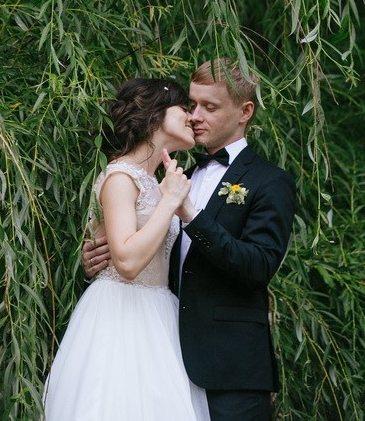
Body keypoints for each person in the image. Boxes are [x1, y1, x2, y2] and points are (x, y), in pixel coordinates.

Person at [83, 58, 296, 421]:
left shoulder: (269, 181)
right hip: (161, 354)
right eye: (192, 104)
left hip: (229, 369)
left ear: (245, 112)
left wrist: (192, 216)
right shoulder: (174, 173)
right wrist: (95, 267)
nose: (195, 115)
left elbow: (258, 267)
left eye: (209, 107)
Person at [43, 77, 211, 421]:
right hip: (121, 313)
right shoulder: (121, 177)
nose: (192, 117)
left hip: (160, 313)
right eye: (185, 107)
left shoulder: (153, 179)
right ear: (157, 114)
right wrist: (170, 202)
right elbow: (128, 262)